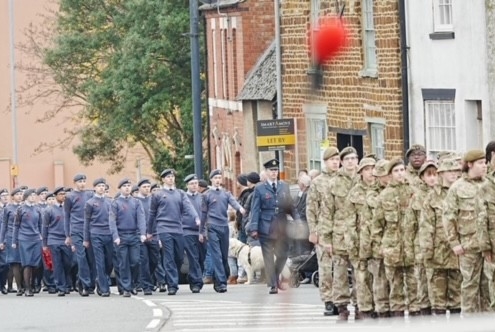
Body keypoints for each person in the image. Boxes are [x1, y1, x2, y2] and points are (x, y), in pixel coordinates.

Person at [371, 158, 419, 317]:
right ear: (390, 174)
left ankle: (415, 320)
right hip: (392, 247)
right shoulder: (385, 196)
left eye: (401, 170)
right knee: (396, 286)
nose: (399, 174)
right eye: (396, 171)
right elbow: (377, 225)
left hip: (412, 246)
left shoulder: (413, 191)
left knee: (414, 286)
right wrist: (380, 247)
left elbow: (421, 220)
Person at [443, 149, 488, 313]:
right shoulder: (457, 188)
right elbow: (448, 216)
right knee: (469, 286)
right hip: (468, 246)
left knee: (489, 288)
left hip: (489, 246)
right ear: (470, 164)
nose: (485, 166)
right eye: (481, 163)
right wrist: (454, 243)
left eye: (485, 162)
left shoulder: (489, 184)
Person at [250, 159, 299, 295]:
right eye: (271, 170)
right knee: (268, 256)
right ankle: (272, 284)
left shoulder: (284, 186)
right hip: (266, 225)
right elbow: (255, 209)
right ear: (266, 172)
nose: (274, 173)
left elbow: (291, 206)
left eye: (276, 170)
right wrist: (254, 227)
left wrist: (298, 220)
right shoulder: (260, 188)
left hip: (281, 225)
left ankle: (275, 276)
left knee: (283, 254)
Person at [321, 146, 359, 321]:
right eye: (347, 159)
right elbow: (327, 213)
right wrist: (326, 239)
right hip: (339, 236)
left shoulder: (363, 180)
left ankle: (360, 306)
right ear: (342, 162)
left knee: (361, 274)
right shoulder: (333, 183)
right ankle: (342, 308)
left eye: (354, 158)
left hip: (359, 236)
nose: (351, 162)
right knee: (340, 275)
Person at [420, 158, 462, 315]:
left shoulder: (461, 191)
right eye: (450, 170)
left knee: (458, 295)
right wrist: (427, 251)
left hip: (459, 250)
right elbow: (426, 226)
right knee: (438, 296)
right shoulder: (432, 196)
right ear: (441, 173)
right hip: (439, 251)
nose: (453, 174)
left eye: (456, 170)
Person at [148, 169, 199, 295]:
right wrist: (149, 231)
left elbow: (188, 206)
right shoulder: (158, 194)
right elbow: (152, 213)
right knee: (169, 256)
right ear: (163, 179)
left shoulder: (180, 193)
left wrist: (196, 217)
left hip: (178, 228)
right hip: (164, 228)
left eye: (172, 177)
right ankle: (172, 285)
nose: (171, 179)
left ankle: (171, 276)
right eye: (168, 177)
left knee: (179, 257)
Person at [306, 146, 340, 315]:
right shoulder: (317, 182)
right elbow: (311, 208)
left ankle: (340, 299)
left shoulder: (343, 179)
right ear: (325, 162)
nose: (335, 162)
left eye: (337, 159)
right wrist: (313, 231)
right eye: (332, 160)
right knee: (326, 268)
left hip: (341, 230)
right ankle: (328, 299)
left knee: (340, 268)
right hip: (323, 230)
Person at [201, 169, 245, 293]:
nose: (218, 180)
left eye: (219, 178)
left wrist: (240, 209)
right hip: (212, 226)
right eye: (215, 178)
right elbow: (203, 214)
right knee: (217, 255)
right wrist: (201, 231)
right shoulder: (206, 195)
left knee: (224, 256)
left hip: (223, 226)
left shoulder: (226, 193)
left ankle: (220, 277)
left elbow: (234, 202)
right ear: (211, 180)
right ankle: (221, 282)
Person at [405, 160, 438, 316]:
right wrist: (410, 249)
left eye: (435, 174)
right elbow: (410, 227)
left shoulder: (444, 194)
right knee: (423, 284)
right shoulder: (417, 197)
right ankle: (424, 314)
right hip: (421, 246)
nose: (432, 178)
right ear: (422, 177)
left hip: (440, 248)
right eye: (429, 175)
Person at [345, 157, 376, 319]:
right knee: (361, 279)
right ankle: (363, 310)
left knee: (378, 279)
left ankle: (377, 308)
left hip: (377, 243)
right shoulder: (355, 193)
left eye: (373, 168)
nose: (371, 172)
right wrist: (352, 244)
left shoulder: (380, 190)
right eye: (367, 169)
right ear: (361, 172)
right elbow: (349, 222)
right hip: (360, 242)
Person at [363, 159, 391, 318]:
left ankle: (394, 309)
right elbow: (370, 224)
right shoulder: (373, 194)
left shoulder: (397, 190)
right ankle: (381, 310)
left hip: (396, 243)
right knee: (379, 278)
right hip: (378, 243)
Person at [110, 179, 147, 297]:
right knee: (123, 263)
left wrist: (142, 233)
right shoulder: (115, 203)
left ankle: (133, 284)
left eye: (128, 186)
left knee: (135, 261)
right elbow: (112, 221)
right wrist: (115, 236)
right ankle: (126, 288)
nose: (127, 188)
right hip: (121, 236)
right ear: (120, 188)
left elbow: (141, 218)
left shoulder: (136, 202)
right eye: (124, 186)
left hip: (134, 235)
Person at [64, 173, 95, 296]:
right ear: (75, 183)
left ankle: (84, 282)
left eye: (84, 181)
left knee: (90, 258)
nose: (82, 184)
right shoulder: (70, 197)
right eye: (80, 181)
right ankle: (85, 285)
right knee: (81, 258)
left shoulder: (90, 195)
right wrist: (68, 235)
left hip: (90, 229)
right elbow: (67, 216)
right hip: (77, 230)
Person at [84, 178, 113, 297]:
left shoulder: (110, 202)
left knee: (109, 261)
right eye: (99, 186)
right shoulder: (90, 203)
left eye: (103, 186)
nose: (102, 188)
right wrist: (86, 238)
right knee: (99, 261)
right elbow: (86, 222)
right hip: (96, 234)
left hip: (109, 233)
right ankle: (104, 287)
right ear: (95, 188)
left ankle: (102, 279)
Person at [42, 187, 72, 296]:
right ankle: (61, 287)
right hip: (53, 240)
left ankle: (67, 284)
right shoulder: (49, 210)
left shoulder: (69, 209)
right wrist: (44, 244)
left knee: (68, 263)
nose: (63, 196)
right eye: (61, 194)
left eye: (64, 194)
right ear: (55, 196)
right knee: (57, 264)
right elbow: (45, 227)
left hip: (66, 240)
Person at [12, 189, 42, 297]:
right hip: (24, 238)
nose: (33, 197)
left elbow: (40, 224)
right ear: (26, 197)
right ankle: (27, 288)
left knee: (35, 264)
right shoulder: (21, 209)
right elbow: (16, 226)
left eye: (35, 195)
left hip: (36, 239)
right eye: (31, 195)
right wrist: (14, 241)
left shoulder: (38, 209)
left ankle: (32, 284)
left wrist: (41, 235)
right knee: (27, 263)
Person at [136, 178, 161, 295]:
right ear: (139, 188)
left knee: (154, 261)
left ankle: (148, 279)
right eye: (144, 187)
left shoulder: (153, 200)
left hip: (154, 234)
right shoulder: (135, 201)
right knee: (144, 261)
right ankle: (146, 286)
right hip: (140, 236)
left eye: (148, 187)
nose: (147, 189)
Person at [182, 174, 204, 293]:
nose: (194, 186)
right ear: (187, 185)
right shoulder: (183, 198)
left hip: (201, 232)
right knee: (193, 257)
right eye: (192, 184)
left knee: (202, 257)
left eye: (196, 183)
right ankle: (195, 282)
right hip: (187, 230)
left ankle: (195, 277)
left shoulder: (202, 197)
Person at [0, 188, 24, 295]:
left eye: (21, 194)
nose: (19, 196)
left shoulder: (24, 207)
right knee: (11, 263)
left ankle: (23, 285)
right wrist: (2, 240)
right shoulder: (8, 209)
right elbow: (4, 226)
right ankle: (13, 286)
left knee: (22, 263)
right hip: (9, 237)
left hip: (23, 238)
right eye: (17, 194)